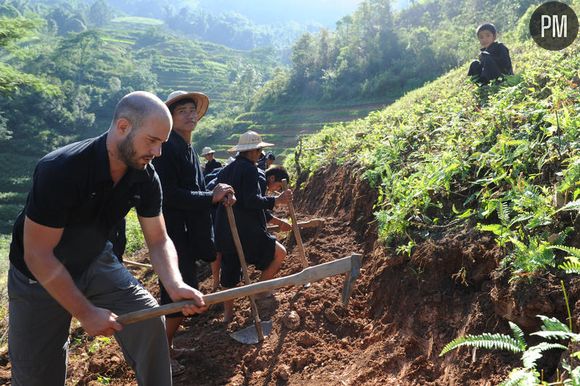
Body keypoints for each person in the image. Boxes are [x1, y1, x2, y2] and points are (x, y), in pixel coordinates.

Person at [7, 91, 207, 386]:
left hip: (94, 260)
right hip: (37, 277)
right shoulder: (61, 170)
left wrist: (175, 283)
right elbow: (38, 254)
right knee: (37, 377)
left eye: (162, 143)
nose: (158, 152)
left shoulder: (145, 175)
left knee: (150, 321)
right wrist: (85, 312)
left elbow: (158, 239)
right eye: (151, 141)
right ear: (123, 127)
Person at [152, 90, 235, 371]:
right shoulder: (166, 151)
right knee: (178, 296)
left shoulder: (187, 148)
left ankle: (169, 347)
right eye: (181, 111)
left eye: (192, 110)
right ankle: (161, 353)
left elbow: (198, 191)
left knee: (181, 294)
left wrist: (218, 195)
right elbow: (171, 195)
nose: (190, 115)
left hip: (188, 231)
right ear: (170, 119)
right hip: (173, 234)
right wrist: (209, 196)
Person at [213, 131, 292, 322]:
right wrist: (277, 200)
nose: (260, 154)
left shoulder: (226, 169)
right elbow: (250, 200)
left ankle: (228, 315)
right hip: (246, 230)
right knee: (279, 253)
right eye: (259, 150)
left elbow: (217, 192)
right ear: (253, 151)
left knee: (229, 272)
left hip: (225, 229)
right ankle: (259, 291)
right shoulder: (249, 169)